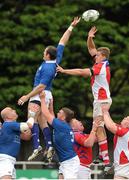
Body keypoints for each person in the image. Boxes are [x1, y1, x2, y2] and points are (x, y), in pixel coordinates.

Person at [18, 17, 81, 161]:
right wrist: (71, 26)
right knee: (41, 120)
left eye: (44, 51)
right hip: (47, 94)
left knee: (31, 119)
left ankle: (36, 146)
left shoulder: (48, 68)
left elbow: (41, 86)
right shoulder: (55, 59)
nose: (43, 53)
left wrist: (26, 96)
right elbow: (63, 41)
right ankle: (49, 144)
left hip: (40, 93)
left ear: (47, 54)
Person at [56, 26, 112, 171]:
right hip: (101, 100)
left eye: (98, 55)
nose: (95, 56)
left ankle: (106, 160)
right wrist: (89, 37)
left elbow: (82, 72)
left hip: (102, 100)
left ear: (103, 57)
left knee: (98, 127)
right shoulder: (102, 62)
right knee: (99, 127)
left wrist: (64, 71)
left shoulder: (100, 67)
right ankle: (103, 156)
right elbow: (92, 50)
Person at [39, 91, 80, 179]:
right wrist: (51, 104)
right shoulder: (61, 125)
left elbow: (46, 114)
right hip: (66, 161)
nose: (58, 113)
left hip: (70, 162)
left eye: (60, 112)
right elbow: (51, 114)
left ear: (64, 117)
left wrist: (42, 99)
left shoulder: (60, 125)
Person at [101, 103, 129, 179]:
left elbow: (109, 126)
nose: (125, 118)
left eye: (127, 119)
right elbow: (111, 123)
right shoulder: (122, 128)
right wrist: (105, 111)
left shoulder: (126, 131)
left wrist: (104, 111)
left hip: (124, 163)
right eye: (126, 117)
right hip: (122, 163)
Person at [0, 107, 34, 179]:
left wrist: (30, 123)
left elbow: (27, 137)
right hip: (6, 158)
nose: (15, 110)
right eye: (12, 110)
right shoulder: (9, 125)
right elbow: (29, 125)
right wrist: (32, 116)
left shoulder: (12, 127)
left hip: (10, 159)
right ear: (8, 116)